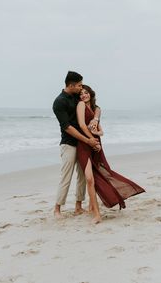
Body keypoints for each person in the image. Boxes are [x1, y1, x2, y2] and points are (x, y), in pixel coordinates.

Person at [76, 85, 145, 224]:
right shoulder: (80, 105)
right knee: (89, 178)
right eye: (81, 93)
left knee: (103, 173)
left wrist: (96, 134)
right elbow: (82, 125)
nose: (83, 95)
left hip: (96, 146)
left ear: (91, 94)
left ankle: (92, 207)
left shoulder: (97, 109)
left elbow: (101, 131)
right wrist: (92, 139)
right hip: (85, 144)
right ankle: (96, 214)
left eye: (86, 93)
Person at [53, 72, 101, 219]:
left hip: (82, 144)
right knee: (66, 176)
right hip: (68, 143)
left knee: (82, 176)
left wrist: (95, 118)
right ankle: (57, 209)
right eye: (79, 85)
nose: (81, 88)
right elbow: (67, 127)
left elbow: (95, 105)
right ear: (71, 85)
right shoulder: (59, 102)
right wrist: (88, 140)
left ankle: (78, 206)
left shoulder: (77, 96)